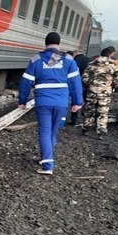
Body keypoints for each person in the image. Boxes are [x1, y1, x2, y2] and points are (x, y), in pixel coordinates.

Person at [18, 32, 83, 175]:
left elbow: (26, 82)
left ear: (45, 43)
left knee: (44, 131)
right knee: (53, 131)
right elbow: (75, 82)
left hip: (43, 102)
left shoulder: (36, 60)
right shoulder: (69, 60)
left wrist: (22, 100)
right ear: (58, 43)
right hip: (61, 102)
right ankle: (46, 157)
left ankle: (47, 165)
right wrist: (77, 101)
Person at [81, 47, 118, 139]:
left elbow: (84, 79)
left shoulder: (91, 65)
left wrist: (89, 86)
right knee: (103, 112)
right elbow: (117, 80)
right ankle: (101, 132)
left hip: (92, 91)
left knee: (89, 110)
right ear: (109, 55)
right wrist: (112, 86)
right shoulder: (113, 66)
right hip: (105, 93)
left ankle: (86, 128)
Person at [68, 51, 91, 125]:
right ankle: (86, 119)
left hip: (78, 83)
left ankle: (73, 120)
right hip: (88, 85)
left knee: (75, 101)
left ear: (74, 54)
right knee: (88, 101)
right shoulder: (89, 60)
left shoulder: (74, 61)